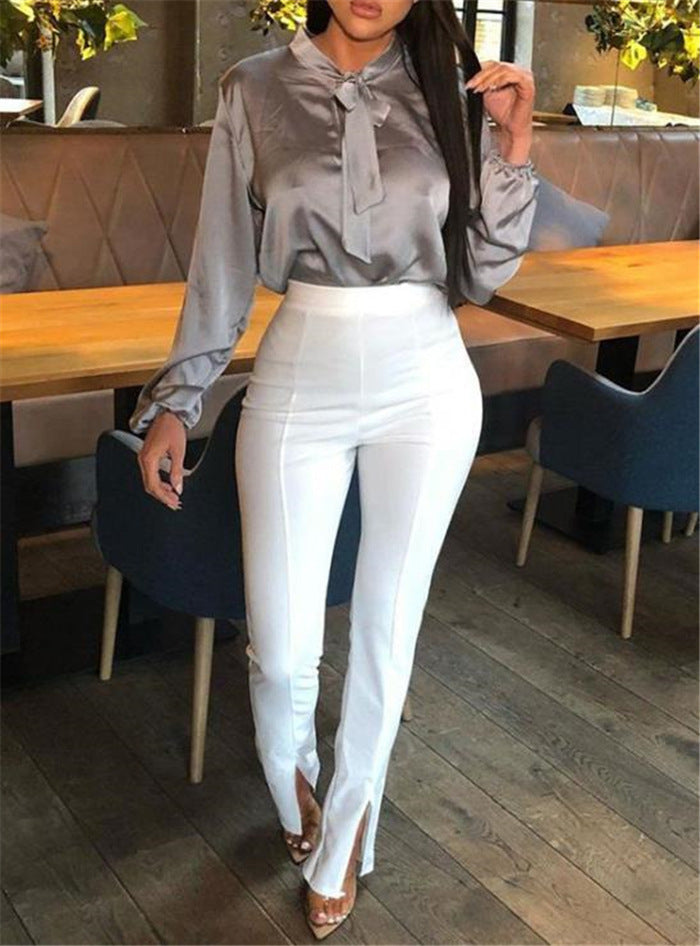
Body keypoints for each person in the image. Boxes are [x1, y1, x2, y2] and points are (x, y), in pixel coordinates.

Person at [129, 0, 538, 937]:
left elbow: (482, 273)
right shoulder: (254, 88)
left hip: (426, 373)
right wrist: (179, 401)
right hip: (300, 364)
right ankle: (295, 794)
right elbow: (222, 260)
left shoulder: (453, 90)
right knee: (281, 652)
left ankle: (345, 833)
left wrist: (513, 146)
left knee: (387, 633)